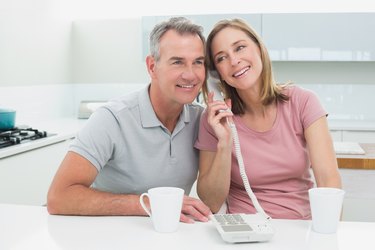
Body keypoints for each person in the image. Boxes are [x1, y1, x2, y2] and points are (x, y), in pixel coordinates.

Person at [47, 17, 211, 223]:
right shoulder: (112, 119)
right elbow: (59, 197)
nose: (191, 75)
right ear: (152, 67)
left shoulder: (200, 119)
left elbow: (214, 198)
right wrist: (147, 204)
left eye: (198, 62)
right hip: (107, 235)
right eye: (177, 62)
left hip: (166, 233)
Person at [194, 18, 342, 219]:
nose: (234, 60)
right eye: (221, 58)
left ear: (259, 48)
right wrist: (225, 143)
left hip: (300, 229)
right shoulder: (214, 119)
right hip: (244, 232)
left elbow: (329, 183)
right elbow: (211, 202)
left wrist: (329, 236)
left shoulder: (303, 102)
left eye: (240, 48)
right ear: (216, 73)